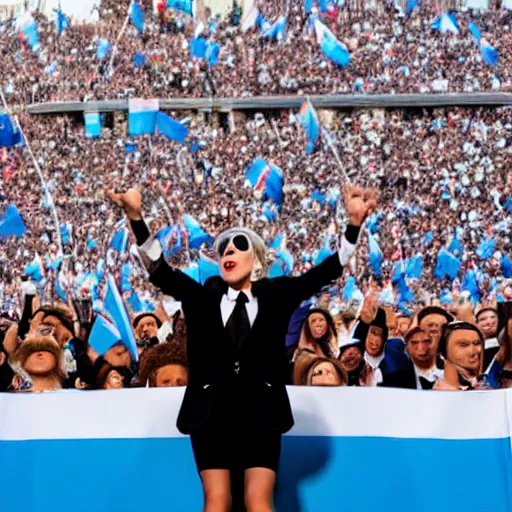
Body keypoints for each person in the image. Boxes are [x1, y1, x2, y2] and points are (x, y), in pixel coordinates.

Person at [107, 185, 377, 512]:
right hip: (209, 412)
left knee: (258, 500)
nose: (229, 252)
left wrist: (353, 225)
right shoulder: (201, 297)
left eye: (239, 245)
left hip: (262, 409)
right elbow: (160, 271)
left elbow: (325, 272)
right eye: (224, 250)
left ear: (257, 260)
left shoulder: (277, 295)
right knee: (217, 500)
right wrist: (136, 217)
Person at [433, 321, 484, 391]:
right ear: (443, 351)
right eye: (464, 345)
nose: (473, 351)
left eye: (476, 343)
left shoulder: (491, 383)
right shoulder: (427, 390)